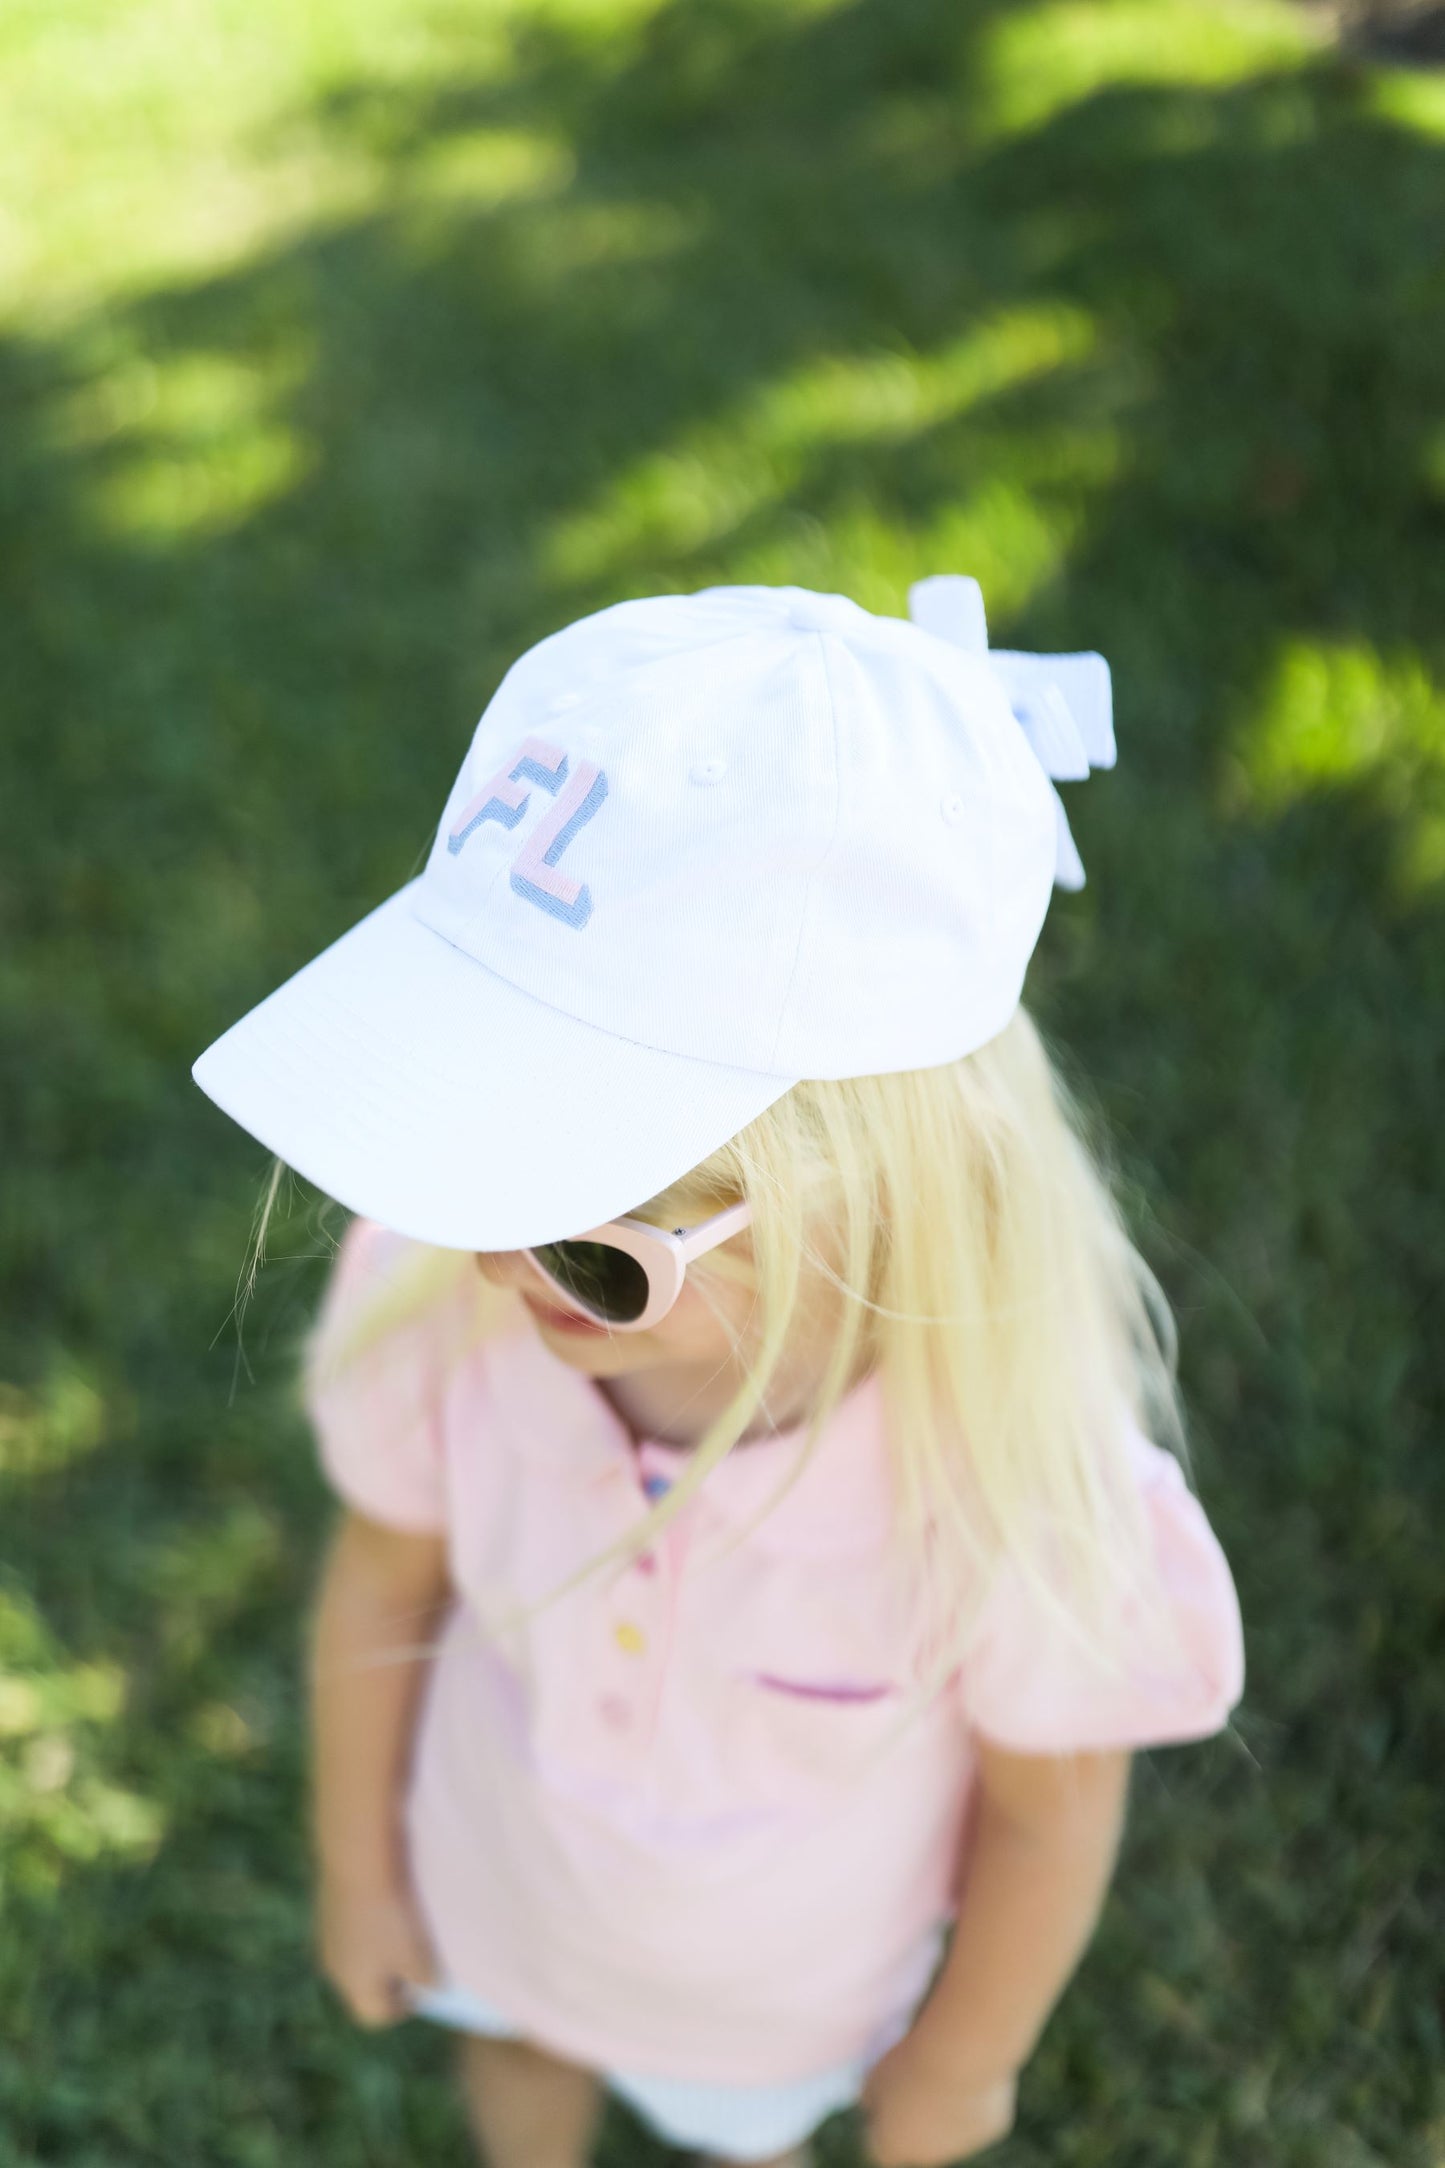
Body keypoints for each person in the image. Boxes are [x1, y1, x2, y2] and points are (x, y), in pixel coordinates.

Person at [192, 579, 1244, 2168]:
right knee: (519, 2067)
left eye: (594, 1247)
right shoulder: (440, 1296)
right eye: (471, 1169)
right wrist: (360, 1868)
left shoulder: (1002, 1478)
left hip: (781, 2015)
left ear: (868, 1194)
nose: (491, 1264)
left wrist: (958, 2064)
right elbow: (381, 1584)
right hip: (500, 1895)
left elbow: (1045, 1809)